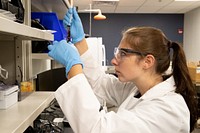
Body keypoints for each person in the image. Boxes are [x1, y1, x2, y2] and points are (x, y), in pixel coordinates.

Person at [48, 7, 198, 133]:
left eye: (123, 54)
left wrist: (73, 65)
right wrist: (80, 42)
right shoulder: (137, 89)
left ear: (148, 61)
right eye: (117, 52)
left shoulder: (167, 109)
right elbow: (100, 83)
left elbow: (98, 129)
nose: (114, 60)